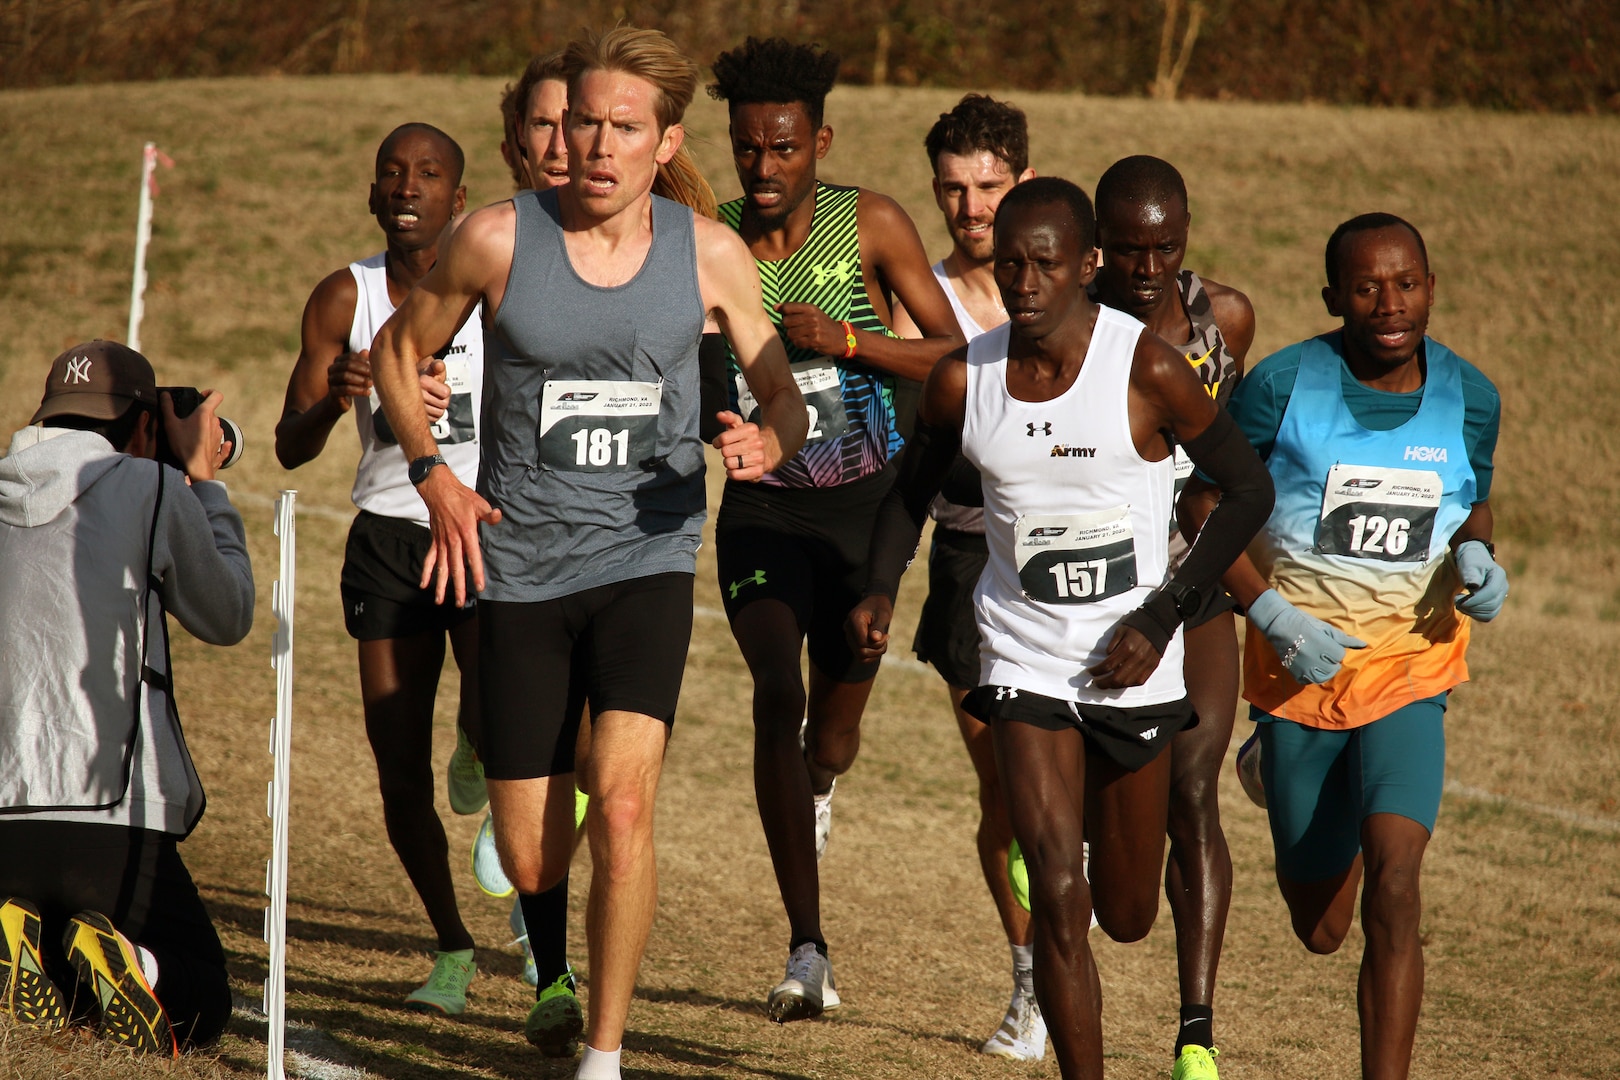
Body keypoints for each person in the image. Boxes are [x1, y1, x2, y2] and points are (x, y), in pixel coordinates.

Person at [368, 27, 807, 1080]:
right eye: (580, 124)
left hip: (646, 559)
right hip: (520, 567)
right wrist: (432, 471)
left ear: (665, 143)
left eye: (622, 127)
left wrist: (769, 435)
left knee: (622, 803)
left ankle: (603, 1056)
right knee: (527, 855)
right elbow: (396, 350)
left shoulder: (704, 251)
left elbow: (779, 382)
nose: (596, 145)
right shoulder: (496, 239)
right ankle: (531, 856)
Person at [847, 178, 1274, 1080]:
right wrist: (880, 589)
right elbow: (909, 495)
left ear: (1087, 265)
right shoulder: (968, 377)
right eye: (1010, 264)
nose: (1026, 281)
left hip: (1134, 667)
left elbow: (1245, 492)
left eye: (1046, 263)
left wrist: (1161, 615)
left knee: (1125, 910)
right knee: (1059, 887)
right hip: (1022, 658)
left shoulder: (1147, 370)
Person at [1181, 213, 1505, 1080]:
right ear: (1333, 298)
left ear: (1432, 288)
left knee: (1397, 888)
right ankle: (1286, 775)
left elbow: (1469, 500)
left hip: (1412, 669)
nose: (1389, 304)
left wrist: (1477, 554)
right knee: (1321, 928)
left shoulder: (1471, 398)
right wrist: (1271, 615)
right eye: (1365, 287)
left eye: (1406, 283)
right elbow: (1203, 507)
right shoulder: (1283, 386)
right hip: (1300, 677)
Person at [705, 35, 965, 1023]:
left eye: (782, 150)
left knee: (835, 735)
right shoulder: (713, 240)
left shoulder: (872, 225)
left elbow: (957, 357)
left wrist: (850, 339)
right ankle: (806, 946)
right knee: (776, 696)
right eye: (747, 151)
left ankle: (818, 783)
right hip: (765, 514)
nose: (763, 171)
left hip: (868, 517)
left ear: (819, 140)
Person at [274, 122, 488, 1016]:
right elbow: (289, 445)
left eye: (429, 174)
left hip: (485, 534)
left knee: (519, 736)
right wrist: (340, 391)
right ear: (372, 195)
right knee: (397, 765)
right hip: (390, 545)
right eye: (392, 175)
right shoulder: (343, 296)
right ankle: (451, 950)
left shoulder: (496, 282)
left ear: (458, 200)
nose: (408, 187)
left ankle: (484, 741)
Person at [0, 341, 254, 1055]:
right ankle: (132, 963)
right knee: (201, 992)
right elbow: (226, 613)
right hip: (111, 816)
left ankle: (27, 938)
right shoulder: (154, 491)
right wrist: (203, 480)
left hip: (4, 812)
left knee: (51, 974)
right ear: (142, 427)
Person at [1090, 154, 1256, 1080]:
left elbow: (1231, 461)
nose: (1148, 266)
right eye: (1127, 248)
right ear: (1099, 244)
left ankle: (1197, 1032)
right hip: (1092, 589)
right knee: (1119, 889)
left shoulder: (1222, 319)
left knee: (1196, 794)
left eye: (1166, 246)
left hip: (1192, 585)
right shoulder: (1072, 321)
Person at [892, 92, 1048, 1061]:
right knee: (1003, 793)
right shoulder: (923, 296)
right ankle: (1030, 981)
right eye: (953, 189)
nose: (971, 206)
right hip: (967, 553)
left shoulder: (1081, 278)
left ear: (1023, 182)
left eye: (989, 186)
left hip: (1078, 556)